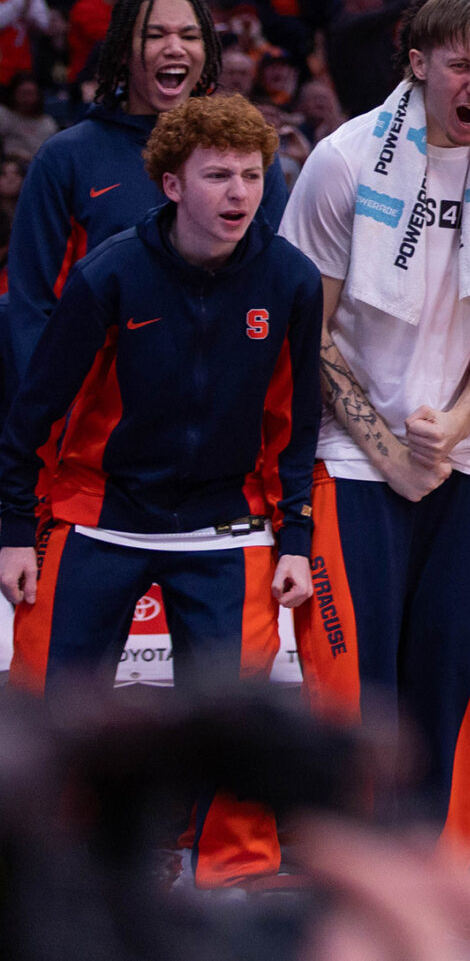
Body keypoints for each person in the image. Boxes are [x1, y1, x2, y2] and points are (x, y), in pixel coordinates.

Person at [0, 95, 320, 886]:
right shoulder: (109, 272)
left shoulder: (291, 279)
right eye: (217, 176)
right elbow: (35, 414)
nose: (239, 193)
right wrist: (12, 530)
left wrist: (296, 537)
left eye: (251, 175)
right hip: (97, 515)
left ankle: (231, 882)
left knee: (242, 724)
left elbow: (294, 421)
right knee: (47, 712)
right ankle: (42, 883)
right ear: (172, 184)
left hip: (227, 526)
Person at [279, 0, 470, 859]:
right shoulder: (343, 162)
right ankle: (350, 887)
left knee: (452, 696)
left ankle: (436, 886)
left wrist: (455, 426)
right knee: (354, 699)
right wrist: (391, 451)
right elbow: (306, 333)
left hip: (463, 468)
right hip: (352, 465)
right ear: (419, 64)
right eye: (461, 66)